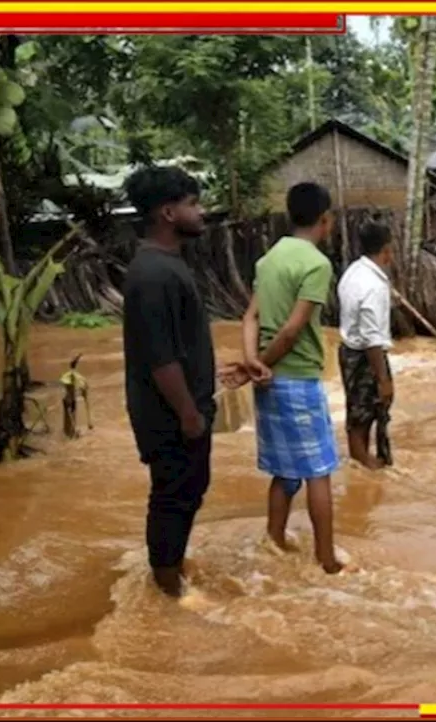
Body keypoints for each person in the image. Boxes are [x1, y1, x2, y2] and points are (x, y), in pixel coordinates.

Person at [121, 166, 227, 598]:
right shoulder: (154, 275)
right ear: (168, 212)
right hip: (170, 415)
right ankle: (167, 589)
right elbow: (160, 359)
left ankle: (172, 571)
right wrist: (188, 413)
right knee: (172, 496)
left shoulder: (164, 267)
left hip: (182, 409)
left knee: (187, 491)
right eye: (192, 204)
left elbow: (178, 347)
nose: (200, 212)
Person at [241, 182, 343, 573]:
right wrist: (261, 363)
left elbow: (249, 317)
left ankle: (275, 541)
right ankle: (327, 559)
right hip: (297, 379)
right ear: (325, 219)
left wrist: (253, 364)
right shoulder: (316, 264)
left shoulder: (268, 260)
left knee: (284, 471)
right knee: (319, 471)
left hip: (268, 384)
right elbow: (291, 330)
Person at [337, 222, 395, 470]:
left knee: (360, 411)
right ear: (386, 250)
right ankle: (364, 462)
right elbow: (372, 338)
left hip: (349, 350)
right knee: (367, 411)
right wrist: (383, 379)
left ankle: (361, 460)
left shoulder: (353, 271)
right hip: (365, 355)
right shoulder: (373, 285)